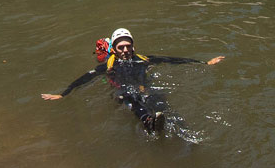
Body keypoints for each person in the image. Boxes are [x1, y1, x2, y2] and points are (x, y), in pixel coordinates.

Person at [41, 27, 224, 133]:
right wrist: (63, 94)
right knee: (128, 97)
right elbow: (85, 78)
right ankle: (149, 123)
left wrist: (204, 63)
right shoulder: (108, 66)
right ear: (114, 49)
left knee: (158, 100)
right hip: (123, 93)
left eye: (128, 46)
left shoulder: (143, 59)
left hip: (144, 89)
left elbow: (171, 60)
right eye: (121, 47)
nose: (125, 50)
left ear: (133, 46)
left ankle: (182, 128)